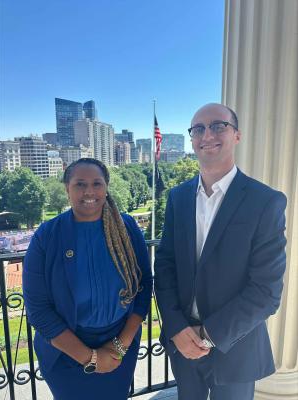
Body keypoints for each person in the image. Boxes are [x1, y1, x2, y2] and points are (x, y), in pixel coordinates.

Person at [154, 103, 287, 400]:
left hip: (236, 347)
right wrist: (176, 328)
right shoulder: (178, 197)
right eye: (198, 129)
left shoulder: (266, 201)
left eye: (218, 126)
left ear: (236, 135)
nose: (207, 135)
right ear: (192, 138)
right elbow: (165, 266)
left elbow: (266, 291)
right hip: (183, 345)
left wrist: (207, 335)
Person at [23, 158, 152, 400]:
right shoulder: (47, 236)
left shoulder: (127, 227)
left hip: (118, 348)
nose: (89, 191)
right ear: (67, 189)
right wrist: (91, 358)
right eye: (80, 184)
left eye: (97, 183)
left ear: (106, 187)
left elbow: (143, 287)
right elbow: (38, 310)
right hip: (66, 354)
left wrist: (120, 345)